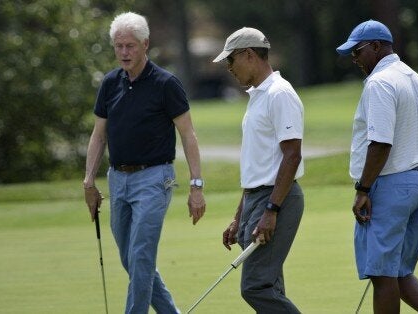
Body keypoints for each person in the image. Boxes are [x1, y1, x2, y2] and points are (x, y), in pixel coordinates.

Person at [83, 12, 206, 314]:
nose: (124, 52)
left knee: (140, 256)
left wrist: (196, 185)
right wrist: (88, 180)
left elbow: (188, 135)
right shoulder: (110, 84)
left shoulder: (166, 84)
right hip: (117, 179)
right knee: (131, 258)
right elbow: (99, 135)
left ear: (145, 44)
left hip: (155, 179)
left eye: (130, 46)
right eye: (119, 46)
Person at [336, 20, 418, 313]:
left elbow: (380, 143)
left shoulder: (380, 82)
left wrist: (363, 189)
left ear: (376, 46)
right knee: (400, 272)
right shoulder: (415, 78)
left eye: (357, 52)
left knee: (383, 275)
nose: (354, 60)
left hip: (393, 184)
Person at [213, 27, 305, 313]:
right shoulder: (258, 96)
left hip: (278, 198)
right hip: (257, 198)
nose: (229, 68)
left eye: (231, 61)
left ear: (249, 55)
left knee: (256, 286)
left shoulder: (280, 94)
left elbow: (292, 155)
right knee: (270, 284)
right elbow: (258, 162)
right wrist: (238, 216)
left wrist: (271, 210)